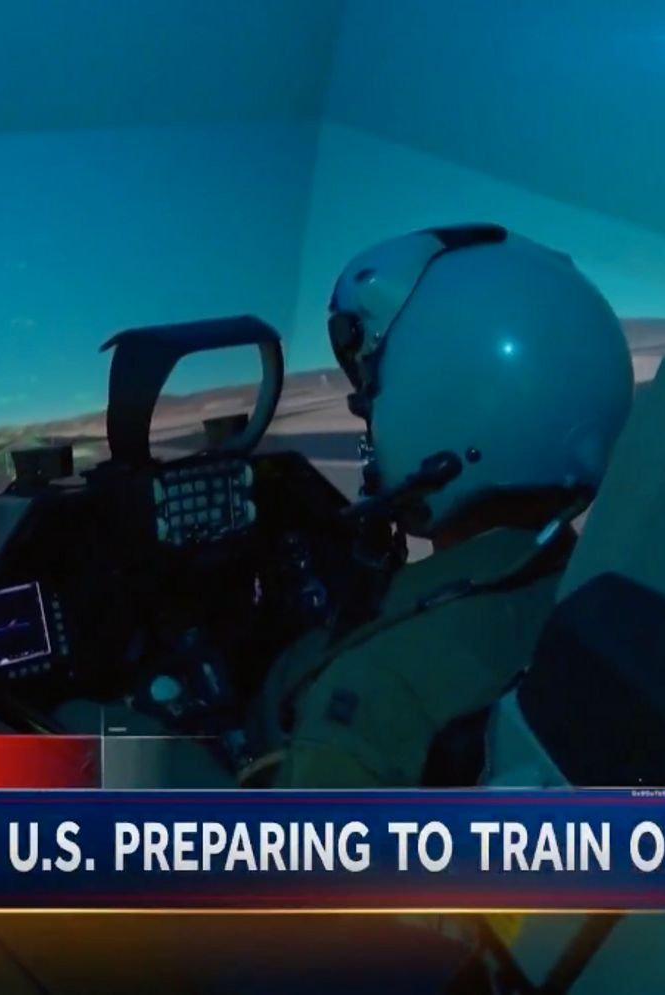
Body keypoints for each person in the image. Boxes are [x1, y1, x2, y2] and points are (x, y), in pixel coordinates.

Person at [245, 223, 635, 788]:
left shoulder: (373, 694)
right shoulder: (616, 593)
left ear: (439, 403)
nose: (369, 426)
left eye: (370, 399)